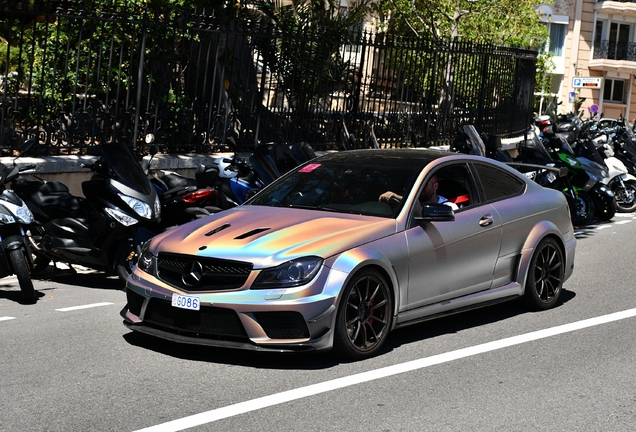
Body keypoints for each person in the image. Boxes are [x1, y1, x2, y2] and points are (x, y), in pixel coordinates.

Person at [379, 174, 459, 210]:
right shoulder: (407, 206)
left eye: (424, 184)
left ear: (435, 186)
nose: (420, 187)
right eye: (418, 184)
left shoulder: (449, 207)